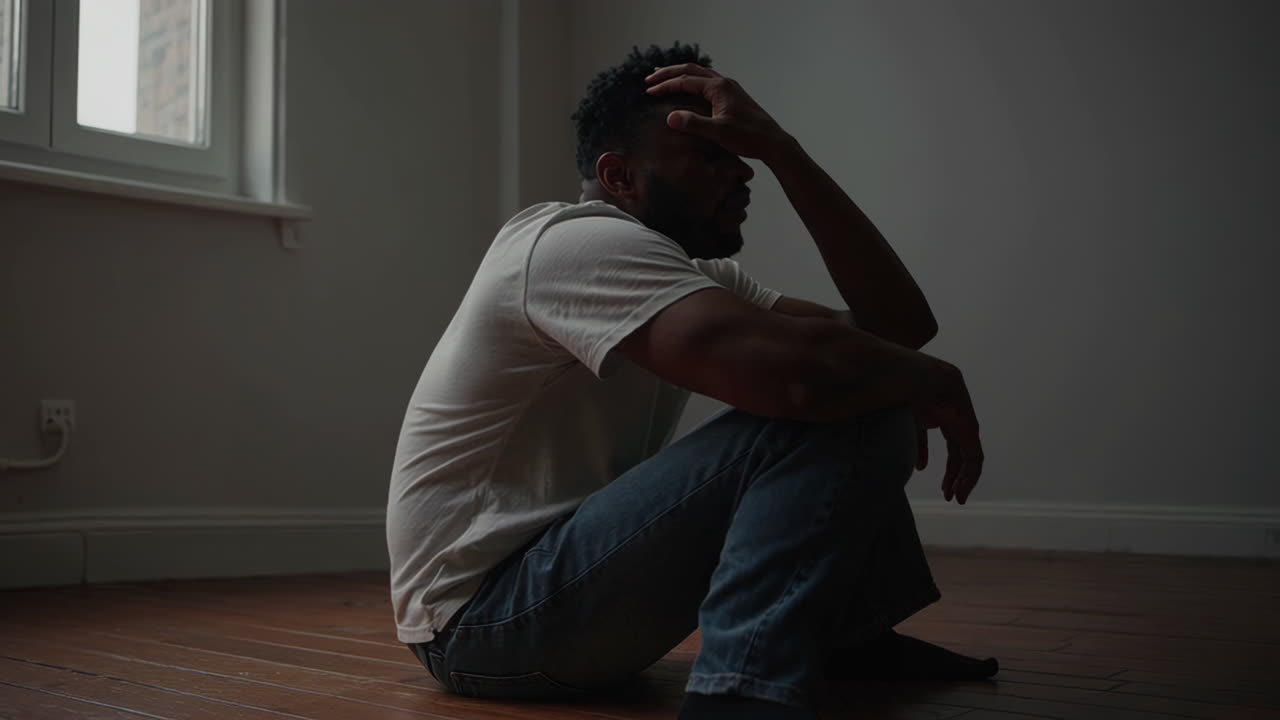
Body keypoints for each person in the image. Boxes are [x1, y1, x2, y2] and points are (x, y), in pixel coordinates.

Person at [387, 42, 996, 720]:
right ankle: (738, 698)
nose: (742, 172)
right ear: (619, 176)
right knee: (842, 387)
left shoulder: (692, 276)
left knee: (864, 373)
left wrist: (785, 152)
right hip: (483, 623)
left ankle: (846, 640)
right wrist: (922, 378)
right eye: (710, 154)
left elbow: (895, 329)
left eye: (742, 153)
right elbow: (809, 378)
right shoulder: (570, 243)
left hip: (553, 600)